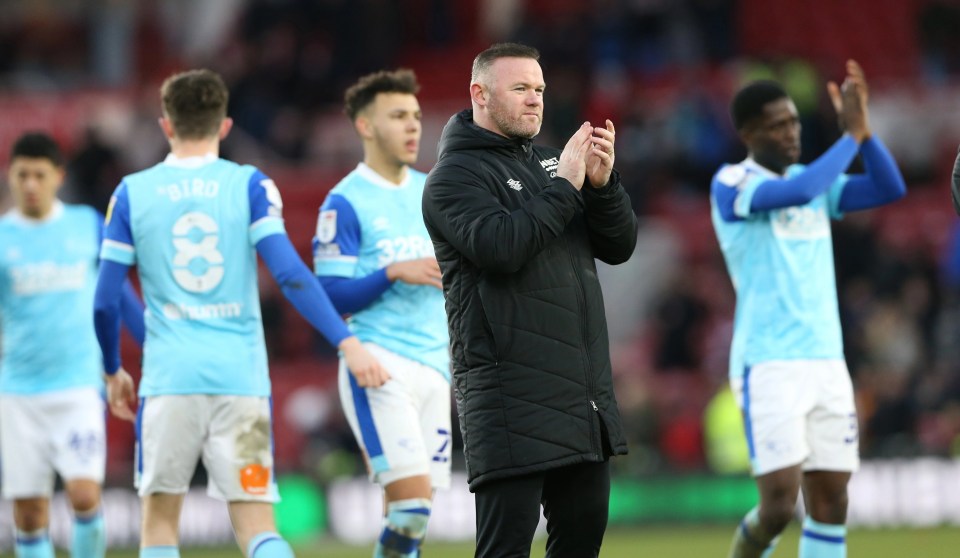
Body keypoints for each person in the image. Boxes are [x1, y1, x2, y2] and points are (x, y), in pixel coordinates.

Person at [92, 69, 386, 558]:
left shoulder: (130, 192)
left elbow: (105, 296)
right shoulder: (251, 185)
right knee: (257, 529)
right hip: (241, 381)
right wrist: (345, 341)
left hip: (168, 381)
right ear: (225, 126)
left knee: (160, 528)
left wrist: (111, 369)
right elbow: (291, 274)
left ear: (166, 125)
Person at [421, 42, 638, 557]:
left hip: (581, 399)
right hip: (509, 400)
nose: (535, 100)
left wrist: (602, 188)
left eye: (539, 89)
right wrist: (567, 186)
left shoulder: (549, 163)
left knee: (580, 546)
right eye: (520, 88)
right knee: (504, 551)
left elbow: (620, 246)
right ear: (480, 93)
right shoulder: (452, 179)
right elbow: (502, 249)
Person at [710, 60, 906, 558]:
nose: (791, 132)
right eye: (777, 125)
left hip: (826, 361)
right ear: (749, 132)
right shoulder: (732, 183)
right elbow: (796, 191)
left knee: (831, 499)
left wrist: (863, 136)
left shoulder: (814, 180)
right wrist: (850, 138)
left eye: (794, 121)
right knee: (779, 503)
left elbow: (889, 188)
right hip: (769, 362)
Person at [312, 69, 450, 557]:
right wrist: (393, 271)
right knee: (410, 509)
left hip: (437, 367)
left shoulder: (434, 190)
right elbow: (329, 295)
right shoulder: (344, 203)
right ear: (366, 126)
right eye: (397, 117)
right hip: (380, 364)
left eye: (415, 116)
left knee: (413, 521)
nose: (413, 127)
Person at [0, 132, 145, 558]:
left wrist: (150, 345)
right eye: (21, 174)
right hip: (18, 390)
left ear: (58, 176)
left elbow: (117, 293)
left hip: (78, 383)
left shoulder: (86, 224)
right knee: (28, 511)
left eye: (39, 175)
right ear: (10, 176)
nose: (30, 184)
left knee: (84, 495)